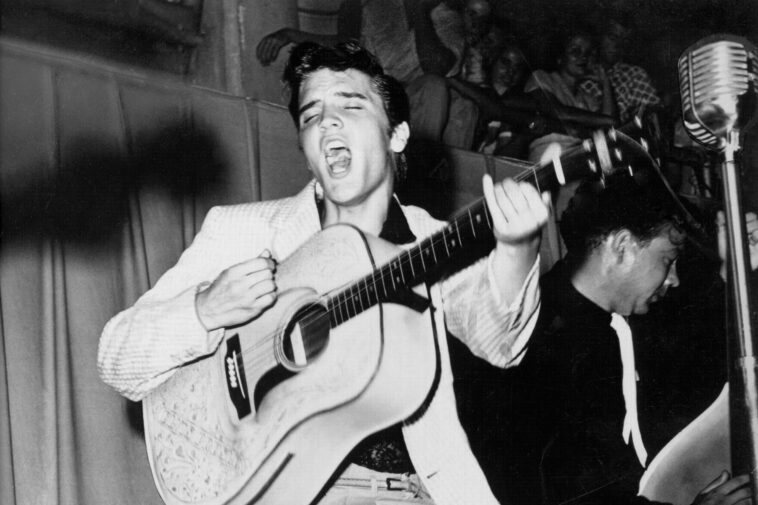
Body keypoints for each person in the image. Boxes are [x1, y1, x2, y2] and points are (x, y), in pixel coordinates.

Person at [98, 41, 551, 505]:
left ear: (396, 134)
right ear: (306, 148)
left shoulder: (430, 241)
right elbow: (117, 357)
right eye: (311, 115)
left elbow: (502, 346)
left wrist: (518, 247)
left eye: (350, 105)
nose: (327, 121)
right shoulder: (244, 230)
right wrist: (203, 311)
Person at [453, 173, 756, 505]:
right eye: (668, 261)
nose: (675, 279)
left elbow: (687, 344)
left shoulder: (612, 314)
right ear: (623, 247)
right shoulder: (541, 348)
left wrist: (733, 266)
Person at [255, 0, 471, 148]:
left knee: (437, 88)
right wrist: (289, 35)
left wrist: (418, 11)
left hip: (415, 104)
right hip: (372, 95)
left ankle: (418, 170)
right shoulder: (366, 5)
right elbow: (344, 46)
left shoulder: (445, 15)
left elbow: (437, 67)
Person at [581, 11, 662, 125]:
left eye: (625, 41)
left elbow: (654, 118)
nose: (618, 45)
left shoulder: (634, 75)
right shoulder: (577, 70)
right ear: (599, 36)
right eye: (613, 37)